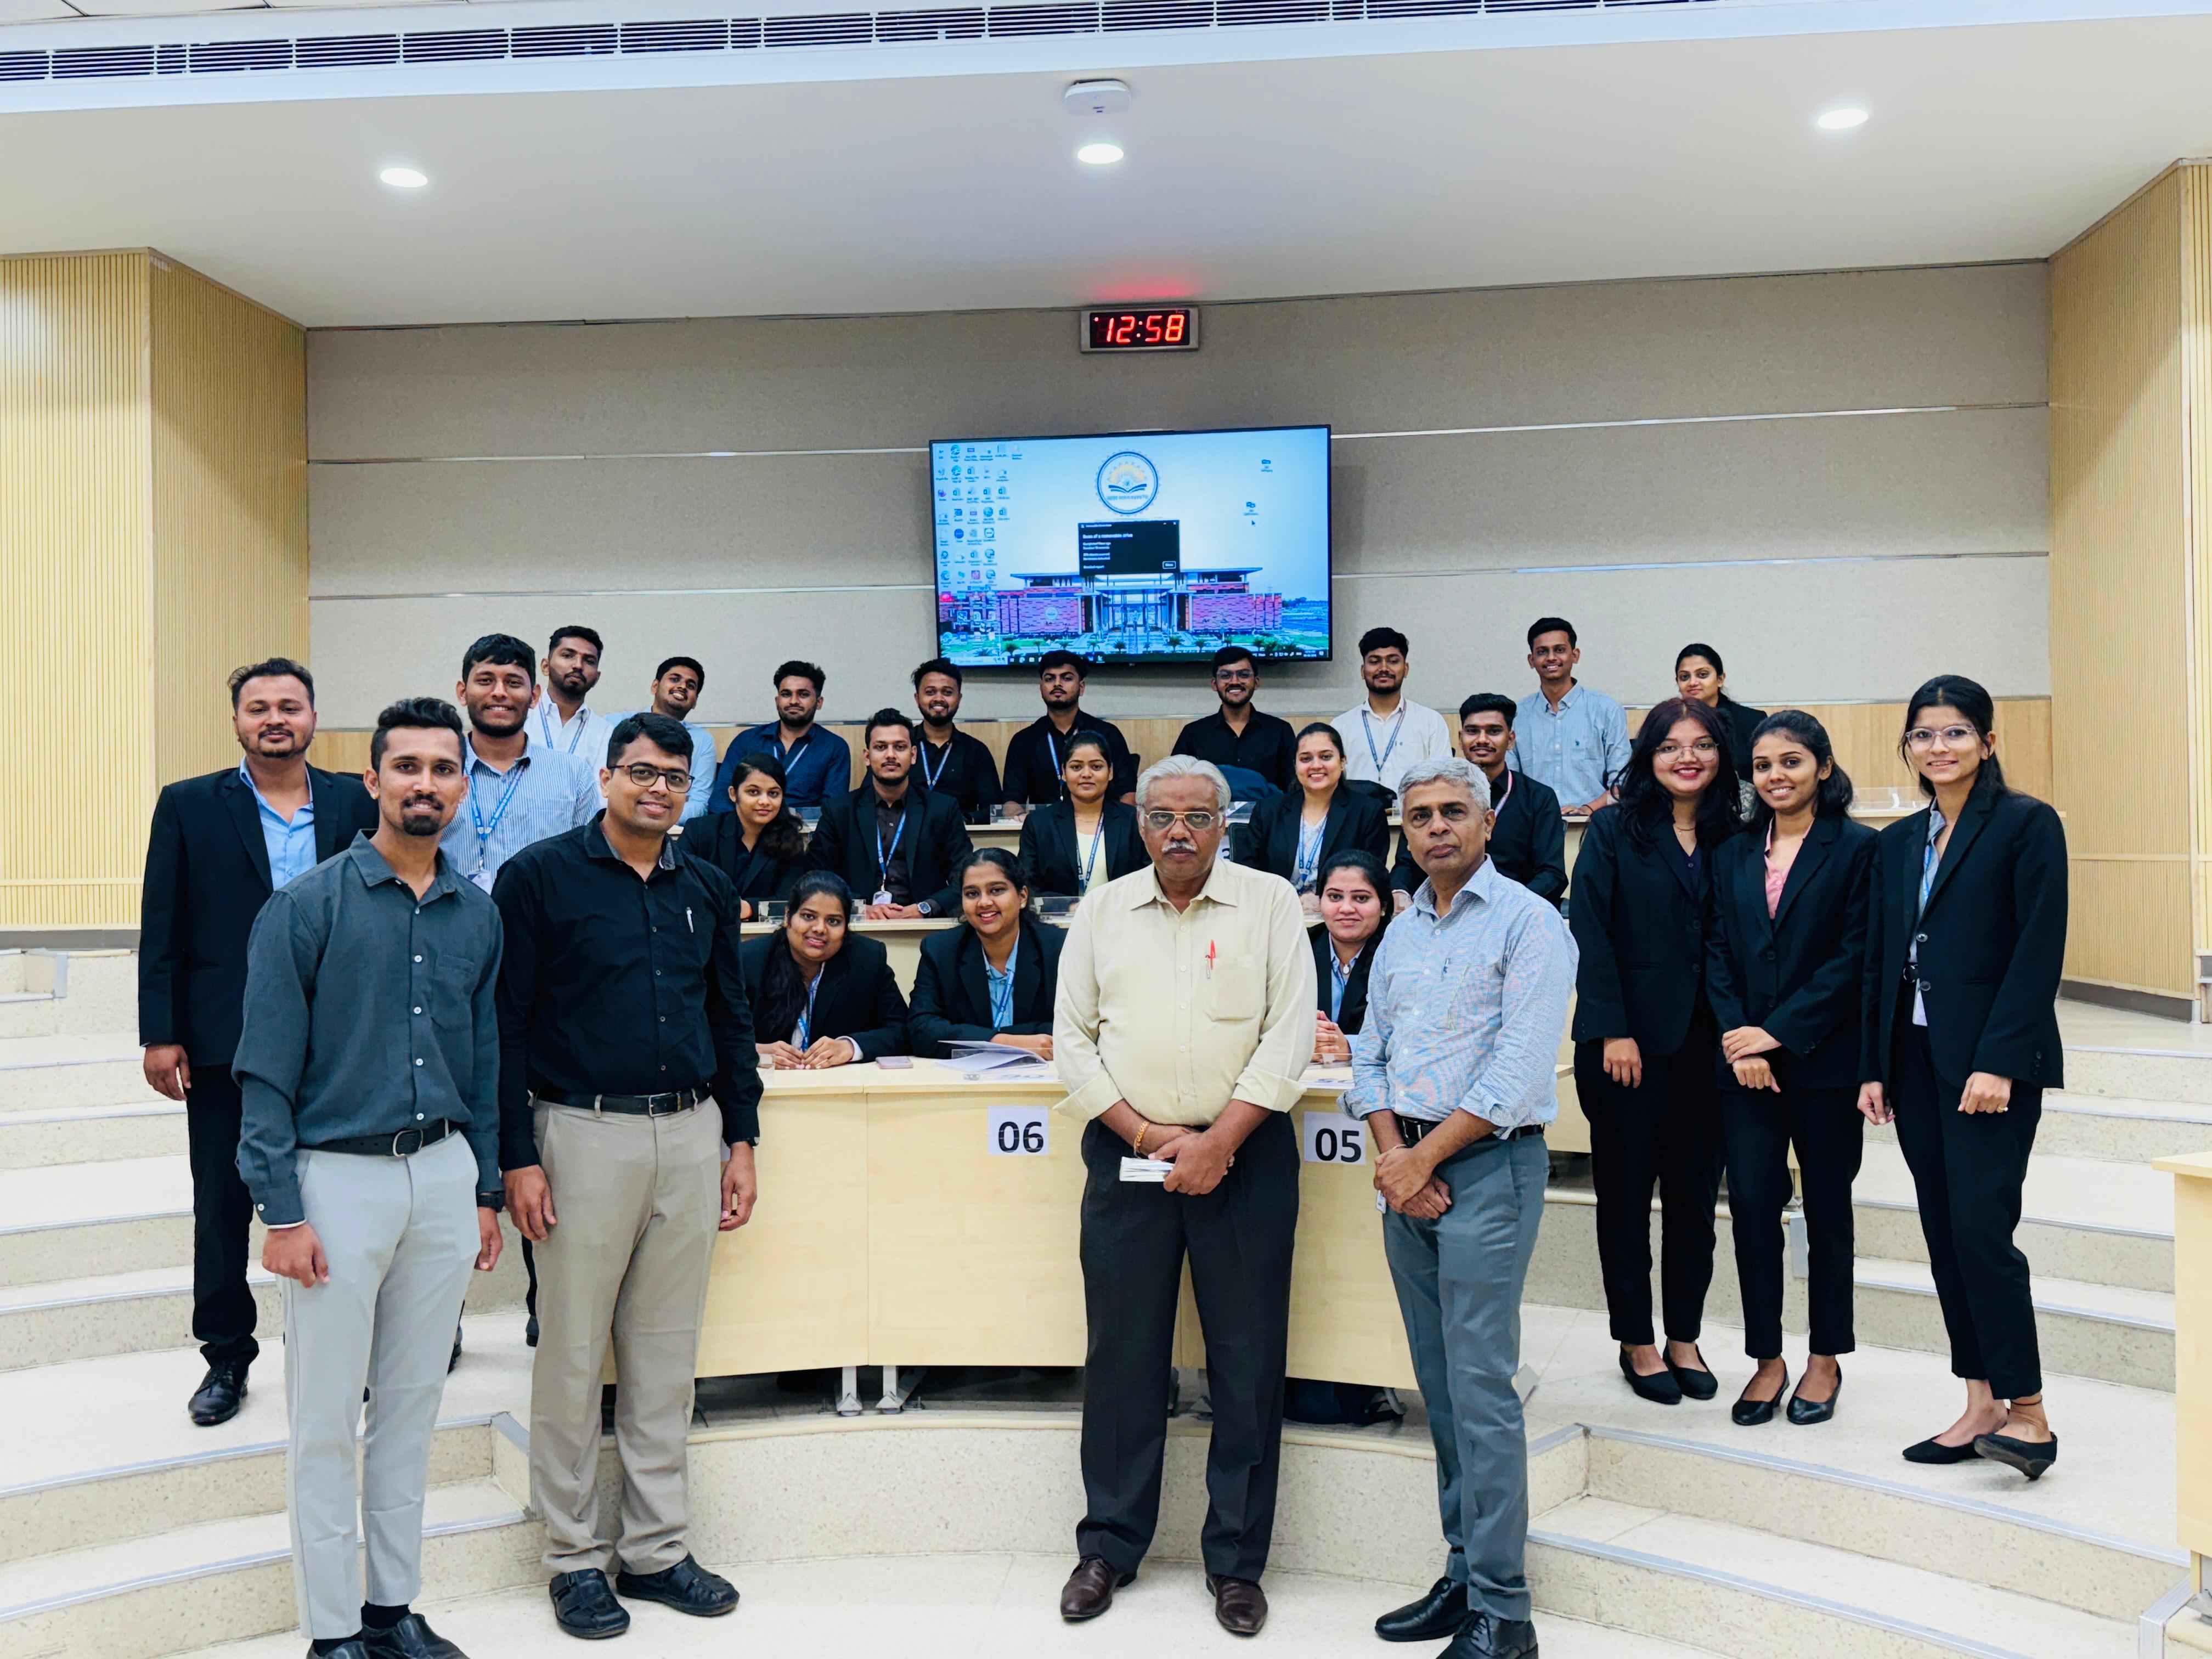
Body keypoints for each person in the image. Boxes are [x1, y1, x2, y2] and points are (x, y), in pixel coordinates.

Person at [232, 697, 504, 1659]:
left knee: (412, 1406)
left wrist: (482, 1187)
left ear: (462, 786)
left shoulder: (478, 914)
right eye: (408, 766)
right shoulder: (307, 906)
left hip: (443, 1173)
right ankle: (332, 1630)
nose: (425, 783)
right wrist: (281, 1209)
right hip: (336, 1181)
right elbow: (264, 1072)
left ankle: (391, 1609)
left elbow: (484, 1058)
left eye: (443, 768)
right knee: (323, 1419)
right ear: (374, 779)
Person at [493, 712, 763, 1641]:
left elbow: (729, 1015)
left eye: (675, 778)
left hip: (690, 1133)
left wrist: (741, 1138)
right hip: (580, 1133)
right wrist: (517, 1154)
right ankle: (572, 1556)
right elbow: (507, 1023)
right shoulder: (539, 878)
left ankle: (655, 1549)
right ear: (606, 777)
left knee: (663, 1355)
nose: (658, 789)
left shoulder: (707, 884)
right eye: (642, 772)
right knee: (572, 1354)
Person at [1052, 756, 1314, 1637]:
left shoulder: (1270, 904)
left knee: (1247, 1360)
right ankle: (1109, 1546)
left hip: (1246, 1156)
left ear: (1224, 825)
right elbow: (1073, 1042)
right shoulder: (1101, 910)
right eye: (1163, 816)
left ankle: (1237, 1563)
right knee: (1123, 1357)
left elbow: (1287, 1037)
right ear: (1139, 823)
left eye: (1199, 817)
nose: (1179, 832)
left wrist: (1217, 1142)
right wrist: (1146, 1135)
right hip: (1128, 1156)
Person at [1347, 757, 1577, 1659]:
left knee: (1480, 1386)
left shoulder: (1531, 921)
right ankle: (1463, 1570)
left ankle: (1505, 1610)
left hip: (1487, 1167)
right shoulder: (1402, 930)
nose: (1436, 826)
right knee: (1437, 1385)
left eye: (1452, 811)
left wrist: (1423, 1159)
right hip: (1407, 1168)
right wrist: (1394, 1157)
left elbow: (1517, 1069)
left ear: (1485, 822)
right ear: (1403, 831)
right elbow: (1369, 1051)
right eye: (1420, 815)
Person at [140, 658, 381, 1429]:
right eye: (258, 707)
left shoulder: (354, 799)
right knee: (222, 1202)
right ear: (238, 720)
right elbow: (163, 923)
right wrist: (161, 1033)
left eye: (289, 705)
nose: (275, 718)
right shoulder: (188, 804)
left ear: (313, 716)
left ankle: (337, 1350)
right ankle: (226, 1355)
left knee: (338, 1199)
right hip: (226, 1037)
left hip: (338, 1037)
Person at [1859, 676, 2067, 1481]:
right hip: (1914, 1062)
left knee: (1982, 1230)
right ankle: (1981, 1402)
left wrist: (2000, 1061)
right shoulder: (1897, 843)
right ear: (1908, 747)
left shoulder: (2025, 824)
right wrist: (1875, 1066)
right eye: (1923, 734)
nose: (1938, 747)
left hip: (1989, 1065)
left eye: (1955, 733)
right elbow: (1882, 960)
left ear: (1987, 741)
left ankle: (2032, 1415)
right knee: (1945, 1233)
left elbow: (2038, 949)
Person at [1569, 697, 1740, 1406]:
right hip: (1626, 1048)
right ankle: (1636, 1338)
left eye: (1702, 745)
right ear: (1649, 756)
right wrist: (1613, 1028)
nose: (1687, 758)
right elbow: (1590, 929)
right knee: (1627, 1199)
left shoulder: (1738, 832)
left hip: (1711, 1048)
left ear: (1721, 755)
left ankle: (1684, 1337)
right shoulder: (1615, 828)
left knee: (1696, 1202)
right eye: (1671, 746)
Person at [1706, 711, 1874, 1427]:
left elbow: (1854, 956)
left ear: (1823, 768)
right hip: (1745, 1069)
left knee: (1829, 1210)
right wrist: (1742, 1044)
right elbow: (1716, 951)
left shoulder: (1860, 849)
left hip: (1824, 1063)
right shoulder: (1733, 852)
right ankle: (1767, 1358)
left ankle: (1825, 1357)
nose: (1776, 776)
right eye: (1764, 765)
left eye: (1791, 762)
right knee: (1750, 1207)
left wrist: (1775, 1035)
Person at [442, 634, 603, 891]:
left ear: (534, 696)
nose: (499, 693)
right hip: (457, 914)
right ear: (463, 692)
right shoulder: (436, 773)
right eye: (485, 681)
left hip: (547, 916)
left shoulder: (574, 775)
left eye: (514, 683)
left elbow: (589, 866)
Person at [1393, 696, 1566, 911]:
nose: (1482, 740)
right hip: (1441, 910)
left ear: (1510, 740)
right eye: (1473, 731)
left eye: (1494, 731)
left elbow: (1551, 874)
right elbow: (1406, 864)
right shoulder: (1432, 795)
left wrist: (1509, 908)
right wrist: (1400, 893)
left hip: (1513, 913)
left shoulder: (1538, 797)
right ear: (1461, 738)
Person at [808, 708, 975, 919]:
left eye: (900, 747)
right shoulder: (838, 811)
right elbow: (817, 877)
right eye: (881, 747)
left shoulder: (943, 809)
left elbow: (967, 877)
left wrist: (924, 908)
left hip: (926, 926)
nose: (890, 755)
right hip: (856, 925)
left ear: (913, 755)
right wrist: (859, 909)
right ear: (867, 757)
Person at [738, 872, 909, 1068]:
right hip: (768, 1082)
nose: (820, 929)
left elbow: (903, 1030)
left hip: (838, 1082)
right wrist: (753, 1051)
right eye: (808, 916)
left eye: (833, 921)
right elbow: (714, 1033)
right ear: (788, 917)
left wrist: (850, 1047)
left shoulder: (867, 959)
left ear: (846, 927)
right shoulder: (749, 960)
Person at [909, 849, 1064, 1059]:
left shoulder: (1058, 948)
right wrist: (1004, 1042)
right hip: (964, 1076)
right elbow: (921, 1029)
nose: (984, 902)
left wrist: (973, 1037)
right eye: (972, 894)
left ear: (1022, 897)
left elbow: (1077, 1025)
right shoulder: (940, 950)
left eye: (996, 890)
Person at [1237, 721, 1390, 904]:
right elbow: (1247, 872)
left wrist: (1324, 901)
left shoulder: (1368, 812)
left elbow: (1371, 877)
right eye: (1306, 759)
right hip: (1275, 910)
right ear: (1295, 766)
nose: (1316, 765)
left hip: (1340, 912)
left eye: (1326, 757)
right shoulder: (1268, 811)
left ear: (1343, 761)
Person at [1514, 617, 1631, 816]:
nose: (1551, 658)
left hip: (1594, 823)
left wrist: (1587, 809)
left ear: (1575, 655)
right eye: (1542, 652)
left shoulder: (1607, 710)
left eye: (1560, 650)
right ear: (1531, 661)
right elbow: (1510, 783)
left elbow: (1623, 783)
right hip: (1534, 826)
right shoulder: (1517, 716)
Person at [1015, 730, 1147, 898]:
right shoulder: (1039, 824)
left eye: (1096, 767)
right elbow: (1027, 884)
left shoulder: (1134, 820)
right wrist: (1067, 906)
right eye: (1076, 767)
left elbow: (1149, 878)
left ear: (1111, 772)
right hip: (1061, 915)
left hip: (1122, 913)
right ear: (1064, 772)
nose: (1086, 774)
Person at [1000, 650, 1137, 810]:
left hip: (1100, 822)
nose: (1057, 684)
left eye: (1067, 678)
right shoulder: (1024, 741)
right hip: (1045, 824)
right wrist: (1023, 819)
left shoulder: (1107, 734)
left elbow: (1129, 794)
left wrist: (1115, 823)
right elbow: (1011, 802)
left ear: (1081, 687)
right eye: (1050, 679)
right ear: (1041, 688)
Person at [710, 661, 852, 812]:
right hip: (749, 824)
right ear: (777, 701)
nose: (794, 701)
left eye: (803, 695)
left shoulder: (834, 747)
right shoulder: (746, 741)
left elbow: (832, 809)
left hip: (804, 826)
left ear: (819, 702)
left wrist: (791, 821)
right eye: (786, 694)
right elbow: (720, 801)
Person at [681, 753, 806, 917]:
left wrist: (749, 908)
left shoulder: (790, 839)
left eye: (773, 794)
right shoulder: (700, 831)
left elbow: (791, 902)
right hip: (707, 926)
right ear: (733, 794)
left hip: (765, 930)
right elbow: (681, 888)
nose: (765, 801)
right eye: (753, 792)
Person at [1333, 627, 1452, 797]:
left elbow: (1443, 781)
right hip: (1359, 813)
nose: (1384, 668)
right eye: (1375, 662)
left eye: (1393, 661)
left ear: (1406, 669)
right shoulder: (1341, 726)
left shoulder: (1431, 722)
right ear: (1363, 671)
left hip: (1415, 812)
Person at [1171, 646, 1297, 792]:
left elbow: (1293, 787)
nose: (1235, 681)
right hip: (1211, 808)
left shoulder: (1280, 731)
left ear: (1256, 682)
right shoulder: (1193, 733)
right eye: (1226, 676)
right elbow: (1175, 783)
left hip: (1269, 807)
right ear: (1215, 684)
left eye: (1243, 675)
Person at [1310, 849, 1389, 1066]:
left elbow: (1409, 1033)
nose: (1346, 908)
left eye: (1361, 898)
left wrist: (1350, 1047)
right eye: (1335, 897)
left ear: (1383, 906)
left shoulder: (1401, 952)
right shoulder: (1298, 946)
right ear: (1320, 902)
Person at [626, 656, 718, 824]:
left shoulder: (703, 741)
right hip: (621, 824)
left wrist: (653, 816)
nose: (682, 687)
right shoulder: (616, 724)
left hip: (671, 831)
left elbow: (700, 804)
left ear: (695, 701)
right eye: (675, 679)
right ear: (655, 687)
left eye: (691, 686)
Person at [911, 657, 1002, 822]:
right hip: (907, 833)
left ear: (959, 699)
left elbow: (994, 808)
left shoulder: (976, 751)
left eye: (947, 692)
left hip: (960, 834)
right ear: (917, 698)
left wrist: (965, 820)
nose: (939, 699)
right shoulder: (900, 746)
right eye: (930, 692)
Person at [1674, 644, 1767, 778]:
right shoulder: (1669, 724)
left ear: (1720, 679)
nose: (1692, 682)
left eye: (1702, 675)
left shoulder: (1752, 721)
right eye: (1684, 677)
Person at [531, 625, 618, 765]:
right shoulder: (523, 718)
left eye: (589, 661)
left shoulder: (605, 734)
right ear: (546, 667)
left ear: (597, 678)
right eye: (568, 656)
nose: (578, 665)